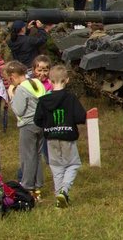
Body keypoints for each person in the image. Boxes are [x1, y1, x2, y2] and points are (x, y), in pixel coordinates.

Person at [33, 64, 86, 208]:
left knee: (56, 167)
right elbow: (81, 116)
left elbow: (37, 120)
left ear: (49, 82)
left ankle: (59, 199)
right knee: (73, 164)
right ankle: (64, 190)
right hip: (68, 136)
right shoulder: (71, 98)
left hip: (51, 138)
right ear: (67, 80)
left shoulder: (43, 100)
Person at [7, 61, 47, 201]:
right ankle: (38, 187)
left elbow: (19, 110)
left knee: (27, 157)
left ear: (13, 76)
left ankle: (27, 187)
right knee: (37, 156)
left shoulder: (20, 89)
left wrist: (11, 95)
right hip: (40, 124)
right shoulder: (36, 82)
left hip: (28, 125)